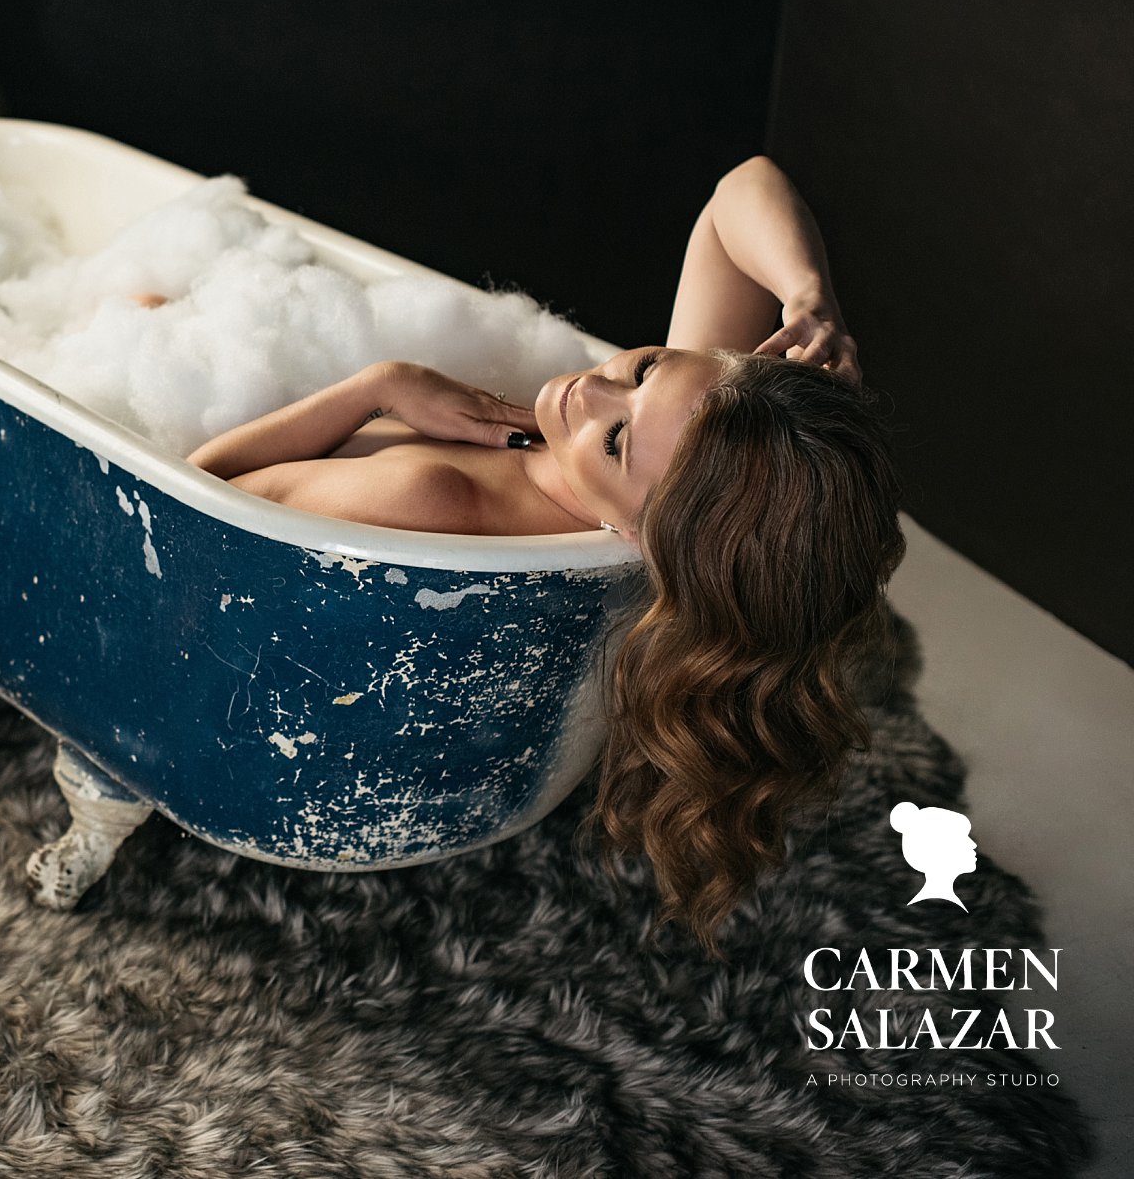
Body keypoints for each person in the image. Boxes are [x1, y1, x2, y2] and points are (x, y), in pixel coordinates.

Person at [184, 156, 906, 954]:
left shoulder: (437, 499)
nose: (592, 390)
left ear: (640, 537)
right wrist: (809, 297)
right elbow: (739, 190)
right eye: (646, 366)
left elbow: (195, 496)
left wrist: (377, 387)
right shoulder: (678, 471)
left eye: (618, 436)